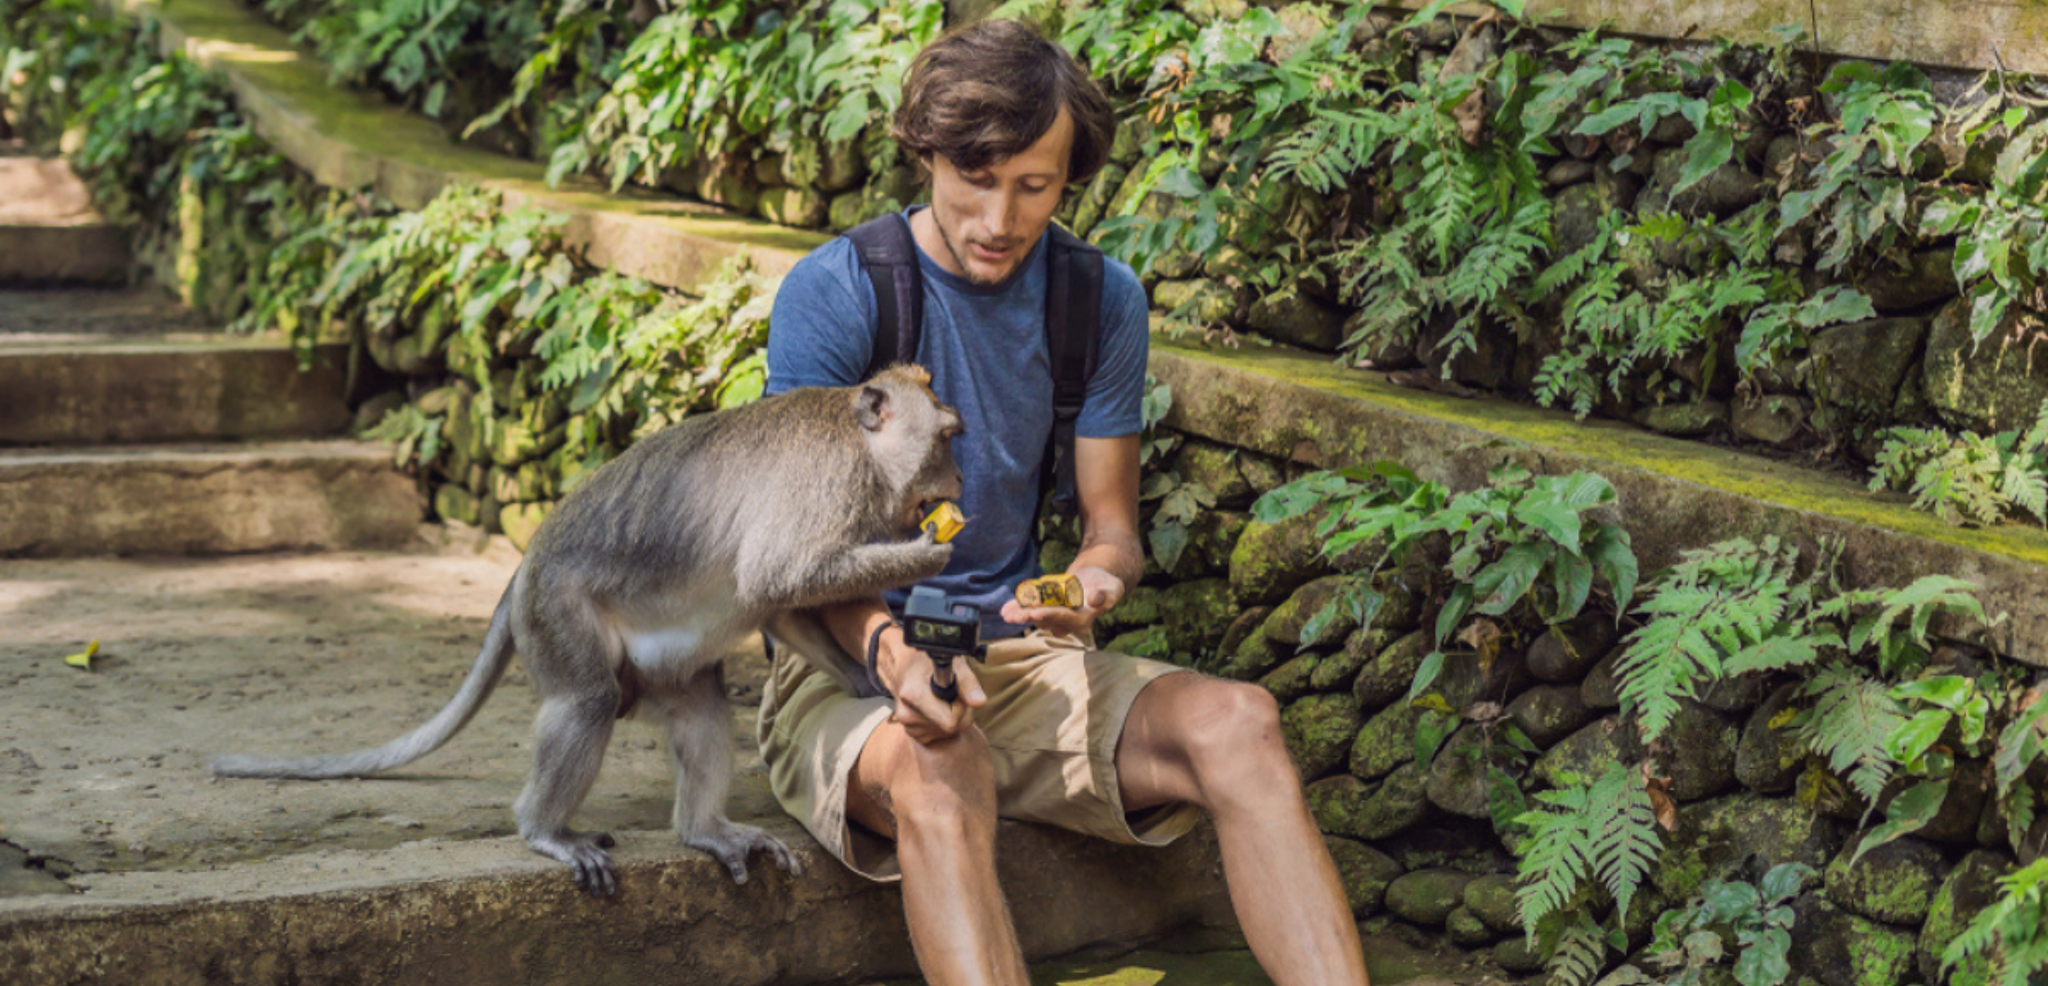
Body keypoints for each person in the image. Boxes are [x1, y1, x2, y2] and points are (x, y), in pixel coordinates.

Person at [756, 17, 1370, 986]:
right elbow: (796, 559)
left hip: (1018, 657)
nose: (1000, 216)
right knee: (938, 762)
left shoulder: (1096, 298)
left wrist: (1084, 585)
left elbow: (1112, 530)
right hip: (845, 666)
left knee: (1239, 721)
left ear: (1067, 178)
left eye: (1032, 186)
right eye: (975, 178)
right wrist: (892, 652)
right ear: (924, 154)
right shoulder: (837, 295)